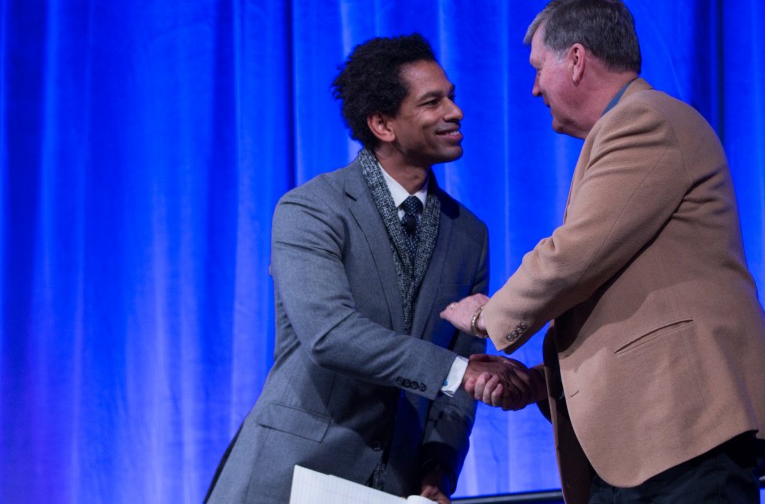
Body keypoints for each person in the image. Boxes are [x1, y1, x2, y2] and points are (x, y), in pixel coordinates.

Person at [443, 0, 765, 503]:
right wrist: (543, 384)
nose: (533, 89)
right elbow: (628, 300)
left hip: (684, 434)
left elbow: (575, 255)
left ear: (575, 60)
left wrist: (489, 315)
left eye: (538, 68)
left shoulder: (645, 121)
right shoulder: (627, 129)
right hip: (643, 443)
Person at [206, 33, 531, 503]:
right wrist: (460, 372)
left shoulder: (469, 234)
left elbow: (460, 377)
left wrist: (438, 471)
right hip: (289, 478)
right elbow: (330, 334)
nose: (455, 112)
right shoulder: (311, 209)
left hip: (392, 490)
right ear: (382, 123)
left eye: (452, 97)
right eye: (432, 102)